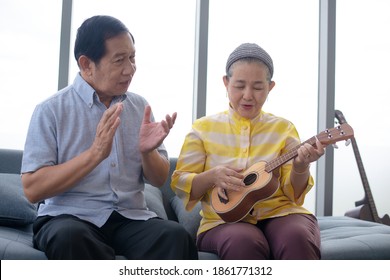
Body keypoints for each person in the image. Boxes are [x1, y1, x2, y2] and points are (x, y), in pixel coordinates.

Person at [21, 15, 198, 260]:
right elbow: (32, 189)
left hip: (130, 218)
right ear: (86, 64)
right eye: (119, 60)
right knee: (71, 238)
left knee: (175, 236)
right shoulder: (51, 110)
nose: (130, 68)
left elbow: (158, 178)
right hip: (68, 217)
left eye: (132, 57)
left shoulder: (139, 107)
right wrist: (94, 155)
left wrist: (147, 152)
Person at [171, 43, 325, 260]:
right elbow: (179, 183)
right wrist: (212, 176)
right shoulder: (202, 129)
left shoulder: (284, 128)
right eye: (239, 85)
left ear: (270, 87)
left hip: (281, 213)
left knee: (296, 236)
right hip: (223, 221)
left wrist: (301, 167)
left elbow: (293, 193)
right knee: (244, 241)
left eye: (258, 87)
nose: (248, 95)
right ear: (226, 83)